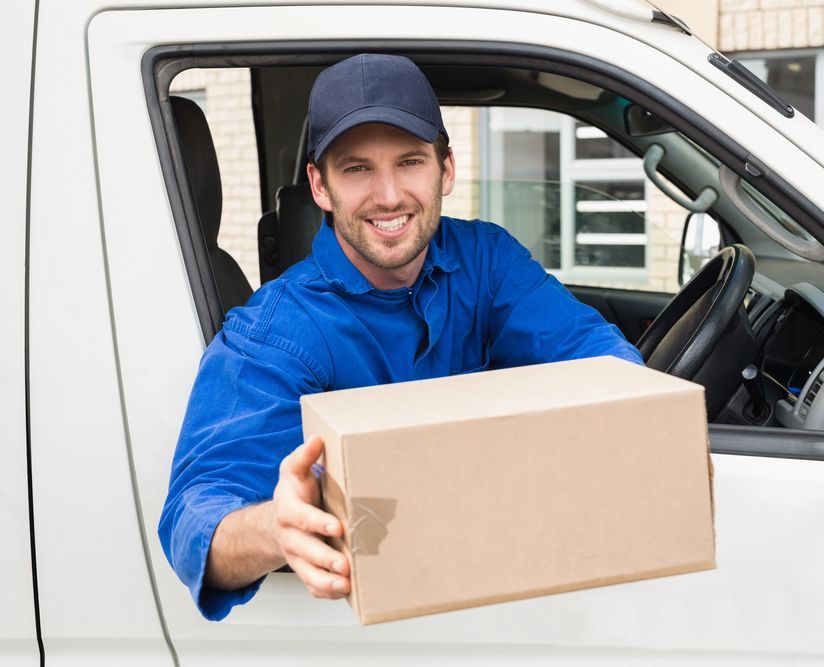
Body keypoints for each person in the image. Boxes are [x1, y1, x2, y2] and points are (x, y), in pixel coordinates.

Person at [159, 53, 643, 621]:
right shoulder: (277, 333)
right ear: (319, 185)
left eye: (410, 161)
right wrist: (276, 527)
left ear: (447, 169)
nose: (389, 196)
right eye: (357, 169)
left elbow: (608, 366)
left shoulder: (487, 260)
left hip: (511, 605)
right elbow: (196, 520)